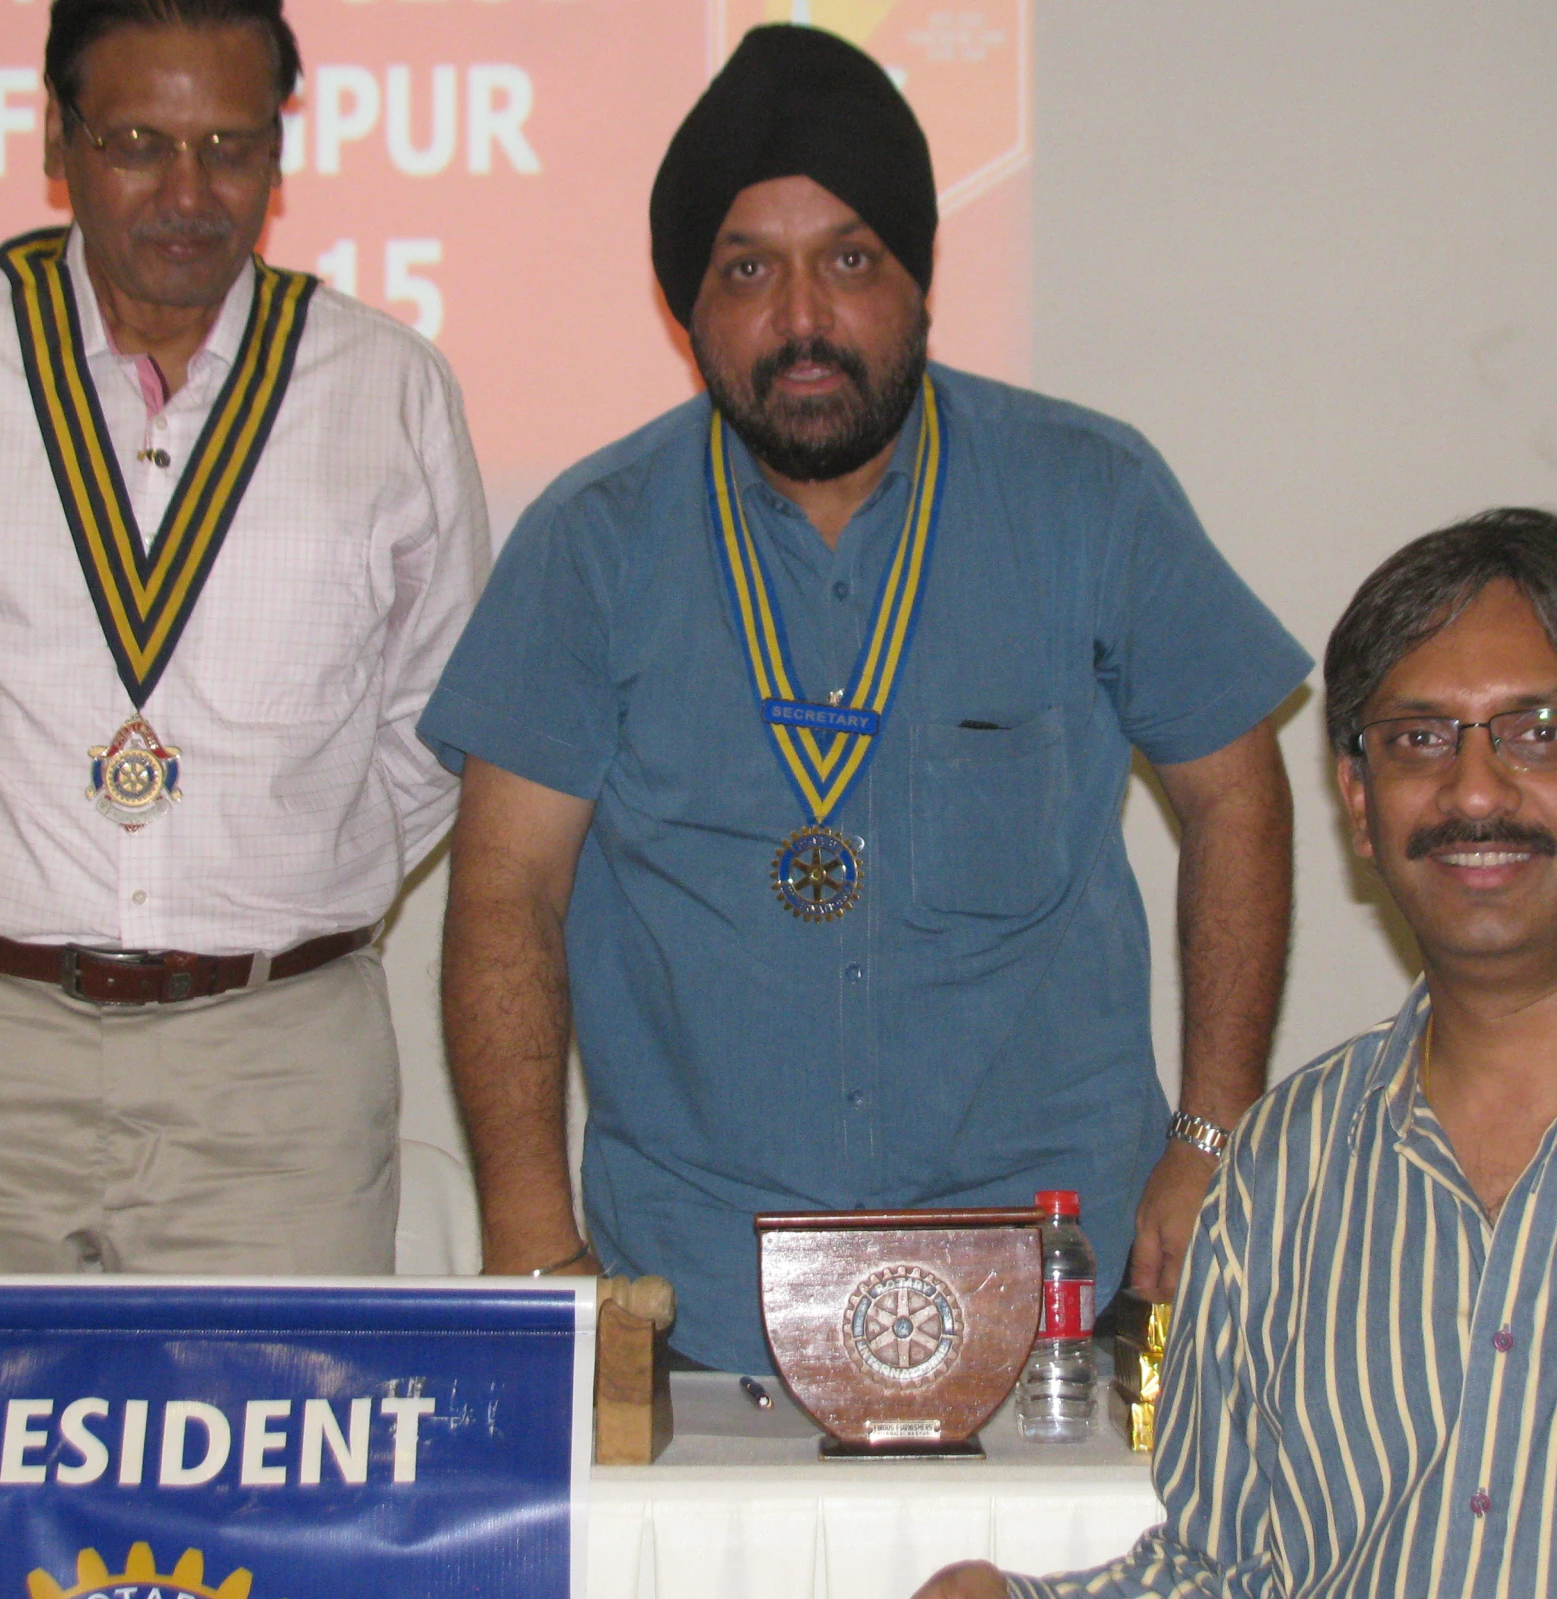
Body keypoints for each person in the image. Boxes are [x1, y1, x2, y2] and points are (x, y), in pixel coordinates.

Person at [419, 23, 1310, 1367]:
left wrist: (1212, 1137)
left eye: (848, 260)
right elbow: (503, 892)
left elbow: (1238, 795)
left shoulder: (1091, 497)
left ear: (919, 279)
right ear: (688, 307)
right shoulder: (591, 540)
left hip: (1055, 1289)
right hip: (696, 1303)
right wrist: (537, 1241)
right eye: (746, 272)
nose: (802, 322)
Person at [888, 507, 1557, 1599]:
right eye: (1416, 740)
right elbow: (1241, 1587)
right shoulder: (1279, 1167)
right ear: (1359, 804)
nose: (1472, 791)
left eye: (1541, 732)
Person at [0, 0, 489, 1273]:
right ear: (59, 141)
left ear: (278, 155)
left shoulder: (388, 389)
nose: (188, 192)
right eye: (139, 142)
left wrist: (283, 878)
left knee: (277, 1468)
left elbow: (432, 718)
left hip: (275, 1064)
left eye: (231, 146)